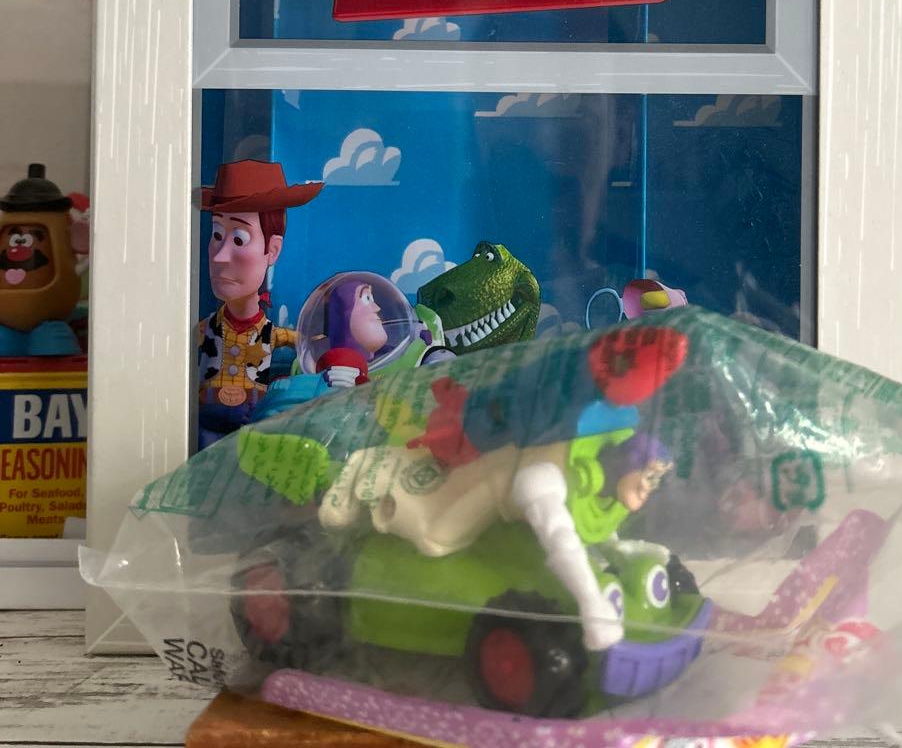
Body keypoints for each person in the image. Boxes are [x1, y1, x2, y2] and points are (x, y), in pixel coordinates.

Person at [317, 427, 673, 650]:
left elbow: (589, 524)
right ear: (624, 463)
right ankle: (366, 466)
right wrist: (591, 603)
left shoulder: (602, 479)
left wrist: (620, 550)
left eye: (656, 480)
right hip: (491, 481)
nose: (649, 488)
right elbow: (560, 537)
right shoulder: (547, 477)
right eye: (648, 476)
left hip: (512, 478)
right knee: (434, 538)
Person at [197, 160, 322, 448]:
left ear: (273, 250)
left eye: (239, 239)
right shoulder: (206, 330)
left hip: (253, 427)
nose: (219, 256)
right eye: (217, 235)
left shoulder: (272, 334)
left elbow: (305, 344)